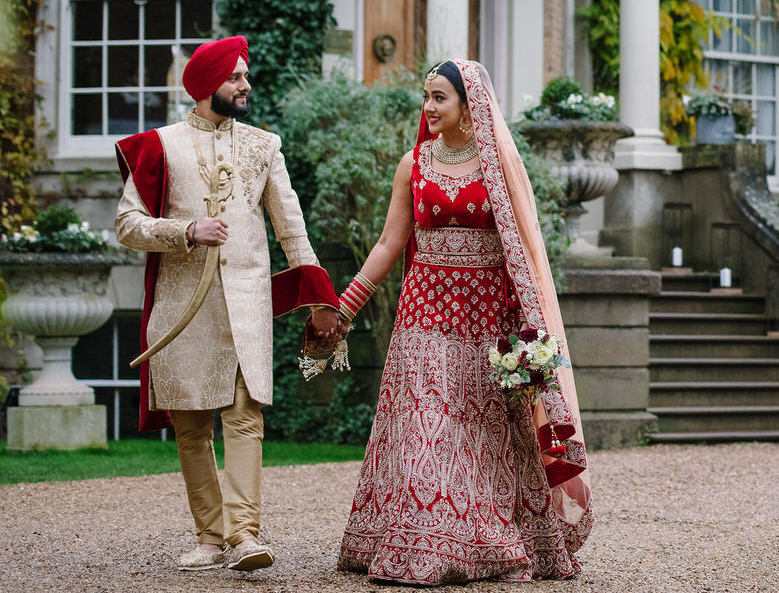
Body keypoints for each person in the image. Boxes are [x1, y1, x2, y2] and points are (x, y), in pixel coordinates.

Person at [336, 59, 592, 584]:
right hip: (423, 319)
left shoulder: (498, 169)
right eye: (426, 97)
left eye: (438, 98)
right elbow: (390, 243)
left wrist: (526, 331)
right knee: (425, 429)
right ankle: (421, 545)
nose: (428, 108)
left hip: (484, 328)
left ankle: (485, 540)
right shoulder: (414, 164)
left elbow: (522, 251)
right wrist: (344, 306)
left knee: (483, 437)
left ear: (466, 106)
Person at [114, 35, 344, 573]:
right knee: (192, 425)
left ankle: (245, 536)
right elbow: (127, 226)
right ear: (203, 85)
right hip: (182, 307)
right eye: (236, 77)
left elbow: (291, 226)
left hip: (245, 303)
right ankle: (209, 537)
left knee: (245, 416)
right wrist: (186, 230)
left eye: (246, 75)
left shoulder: (264, 145)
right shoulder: (160, 146)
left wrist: (320, 298)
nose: (246, 85)